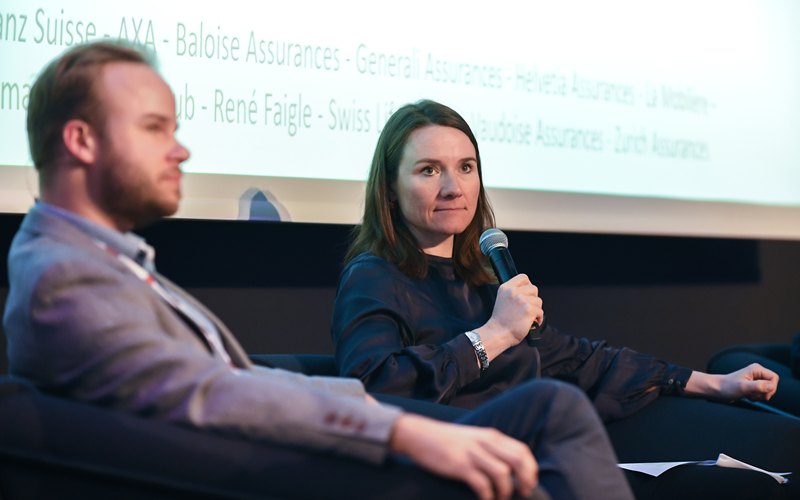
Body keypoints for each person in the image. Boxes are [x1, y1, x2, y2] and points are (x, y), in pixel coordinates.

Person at [2, 42, 636, 500]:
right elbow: (211, 395)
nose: (181, 149)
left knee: (549, 409)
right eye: (153, 129)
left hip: (281, 448)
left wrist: (360, 402)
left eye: (465, 168)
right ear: (81, 141)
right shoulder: (63, 276)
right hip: (268, 471)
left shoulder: (101, 260)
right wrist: (403, 431)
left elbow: (223, 380)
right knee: (548, 414)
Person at [332, 99, 779, 423]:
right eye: (429, 170)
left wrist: (715, 384)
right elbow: (373, 388)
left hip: (529, 448)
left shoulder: (484, 279)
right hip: (454, 465)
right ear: (389, 191)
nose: (454, 187)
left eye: (466, 167)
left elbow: (579, 360)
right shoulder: (373, 278)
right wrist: (494, 334)